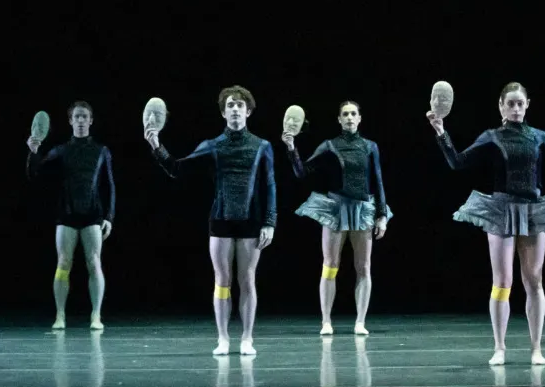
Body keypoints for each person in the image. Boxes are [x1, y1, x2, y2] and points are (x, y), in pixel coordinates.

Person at [428, 82, 545, 366]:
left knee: (534, 281)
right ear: (501, 106)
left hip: (534, 212)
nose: (516, 109)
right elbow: (458, 162)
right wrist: (441, 132)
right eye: (510, 104)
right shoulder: (492, 137)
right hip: (501, 210)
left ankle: (536, 349)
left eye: (520, 103)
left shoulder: (540, 138)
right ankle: (499, 347)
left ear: (527, 104)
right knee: (503, 281)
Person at [147, 86, 275, 356]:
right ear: (223, 113)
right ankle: (223, 339)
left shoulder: (263, 146)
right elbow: (177, 169)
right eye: (230, 105)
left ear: (249, 111)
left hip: (252, 222)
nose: (235, 109)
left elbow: (270, 185)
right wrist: (157, 146)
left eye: (240, 105)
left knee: (247, 280)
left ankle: (247, 338)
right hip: (220, 220)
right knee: (222, 279)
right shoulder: (213, 145)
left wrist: (270, 221)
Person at [282, 100, 390, 336]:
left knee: (364, 267)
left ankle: (360, 322)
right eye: (345, 114)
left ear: (359, 118)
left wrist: (382, 215)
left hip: (362, 209)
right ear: (339, 119)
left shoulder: (370, 146)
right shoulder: (329, 146)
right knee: (330, 265)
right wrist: (291, 148)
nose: (350, 117)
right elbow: (301, 172)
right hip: (336, 208)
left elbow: (378, 181)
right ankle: (326, 321)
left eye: (353, 113)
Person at [27, 100, 115, 331]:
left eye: (85, 116)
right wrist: (33, 152)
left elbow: (110, 185)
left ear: (91, 121)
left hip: (92, 215)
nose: (81, 120)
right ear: (70, 121)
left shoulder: (101, 151)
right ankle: (60, 315)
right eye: (77, 116)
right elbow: (35, 173)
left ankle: (96, 315)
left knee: (94, 262)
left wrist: (109, 216)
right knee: (63, 263)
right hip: (66, 215)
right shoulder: (61, 150)